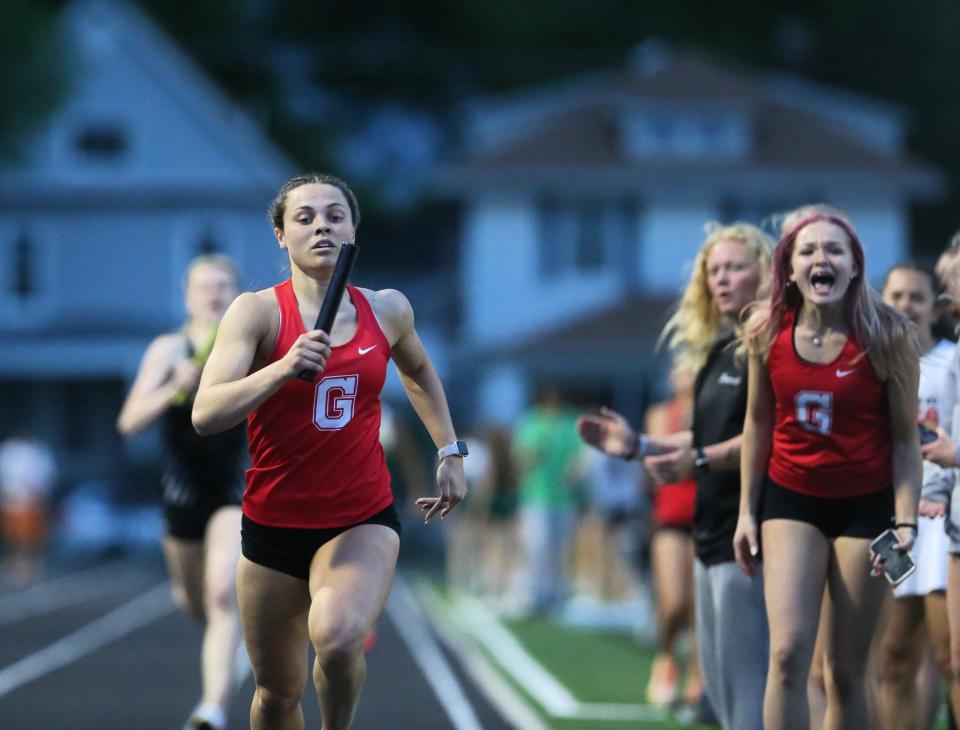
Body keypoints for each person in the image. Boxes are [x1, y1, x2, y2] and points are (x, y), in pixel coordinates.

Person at [190, 173, 467, 730]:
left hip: (358, 517)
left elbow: (417, 371)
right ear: (280, 235)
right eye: (305, 217)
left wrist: (449, 452)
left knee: (339, 640)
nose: (321, 225)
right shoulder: (256, 313)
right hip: (273, 523)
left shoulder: (387, 310)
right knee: (275, 695)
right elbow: (206, 412)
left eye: (334, 215)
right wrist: (283, 367)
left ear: (353, 229)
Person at [578, 222, 773, 730]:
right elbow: (703, 436)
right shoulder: (716, 350)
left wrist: (701, 462)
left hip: (747, 531)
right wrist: (639, 445)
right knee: (722, 693)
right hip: (710, 530)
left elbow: (766, 435)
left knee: (749, 690)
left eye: (735, 267)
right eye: (714, 270)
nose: (722, 279)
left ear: (765, 272)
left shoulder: (770, 346)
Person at [733, 205, 921, 730]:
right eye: (809, 250)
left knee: (844, 670)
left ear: (856, 266)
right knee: (789, 654)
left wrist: (905, 521)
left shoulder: (887, 336)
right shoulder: (765, 330)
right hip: (791, 500)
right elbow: (757, 424)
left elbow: (906, 441)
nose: (823, 259)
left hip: (867, 506)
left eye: (835, 250)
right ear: (789, 269)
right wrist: (748, 512)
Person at [117, 254, 246, 730]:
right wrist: (174, 386)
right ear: (187, 295)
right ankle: (226, 637)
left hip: (235, 487)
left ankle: (211, 708)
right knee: (195, 602)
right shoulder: (168, 349)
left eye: (223, 285)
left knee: (220, 593)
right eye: (205, 286)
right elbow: (129, 422)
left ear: (236, 293)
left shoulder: (251, 345)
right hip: (181, 492)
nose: (214, 294)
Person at [877, 263, 956, 730]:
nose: (905, 305)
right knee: (893, 655)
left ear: (935, 305)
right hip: (894, 524)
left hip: (943, 524)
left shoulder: (953, 360)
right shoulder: (875, 362)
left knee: (948, 657)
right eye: (897, 295)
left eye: (916, 297)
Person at [641, 363, 700, 711]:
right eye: (680, 369)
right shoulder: (661, 413)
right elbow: (657, 454)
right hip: (671, 515)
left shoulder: (715, 408)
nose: (686, 376)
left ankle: (698, 674)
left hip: (706, 515)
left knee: (699, 609)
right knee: (674, 602)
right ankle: (665, 656)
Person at [510, 387, 584, 617]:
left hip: (564, 498)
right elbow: (522, 456)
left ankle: (555, 594)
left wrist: (575, 471)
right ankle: (534, 593)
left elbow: (580, 455)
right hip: (536, 495)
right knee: (537, 546)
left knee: (560, 548)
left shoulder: (569, 423)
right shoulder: (531, 422)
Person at [0, 432, 57, 583]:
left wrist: (38, 491)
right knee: (13, 536)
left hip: (33, 500)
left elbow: (46, 473)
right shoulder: (7, 450)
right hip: (11, 499)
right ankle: (16, 564)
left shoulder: (38, 451)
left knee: (31, 537)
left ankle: (31, 564)